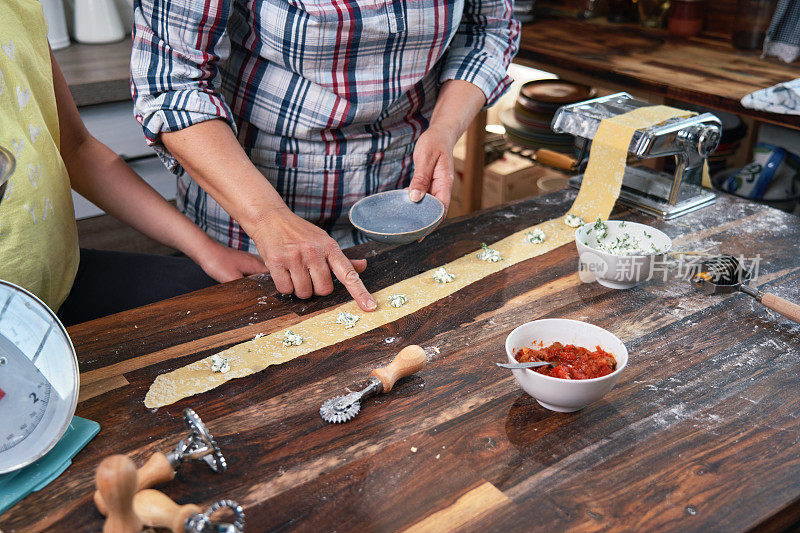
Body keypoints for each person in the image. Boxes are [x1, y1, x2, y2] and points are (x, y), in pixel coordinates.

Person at [132, 0, 520, 312]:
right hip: (250, 207)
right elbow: (174, 85)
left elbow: (486, 31)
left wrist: (444, 128)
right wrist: (269, 217)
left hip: (397, 200)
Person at [0, 0, 265, 326]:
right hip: (10, 318)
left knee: (231, 305)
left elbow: (78, 149)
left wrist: (206, 249)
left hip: (57, 286)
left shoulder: (16, 8)